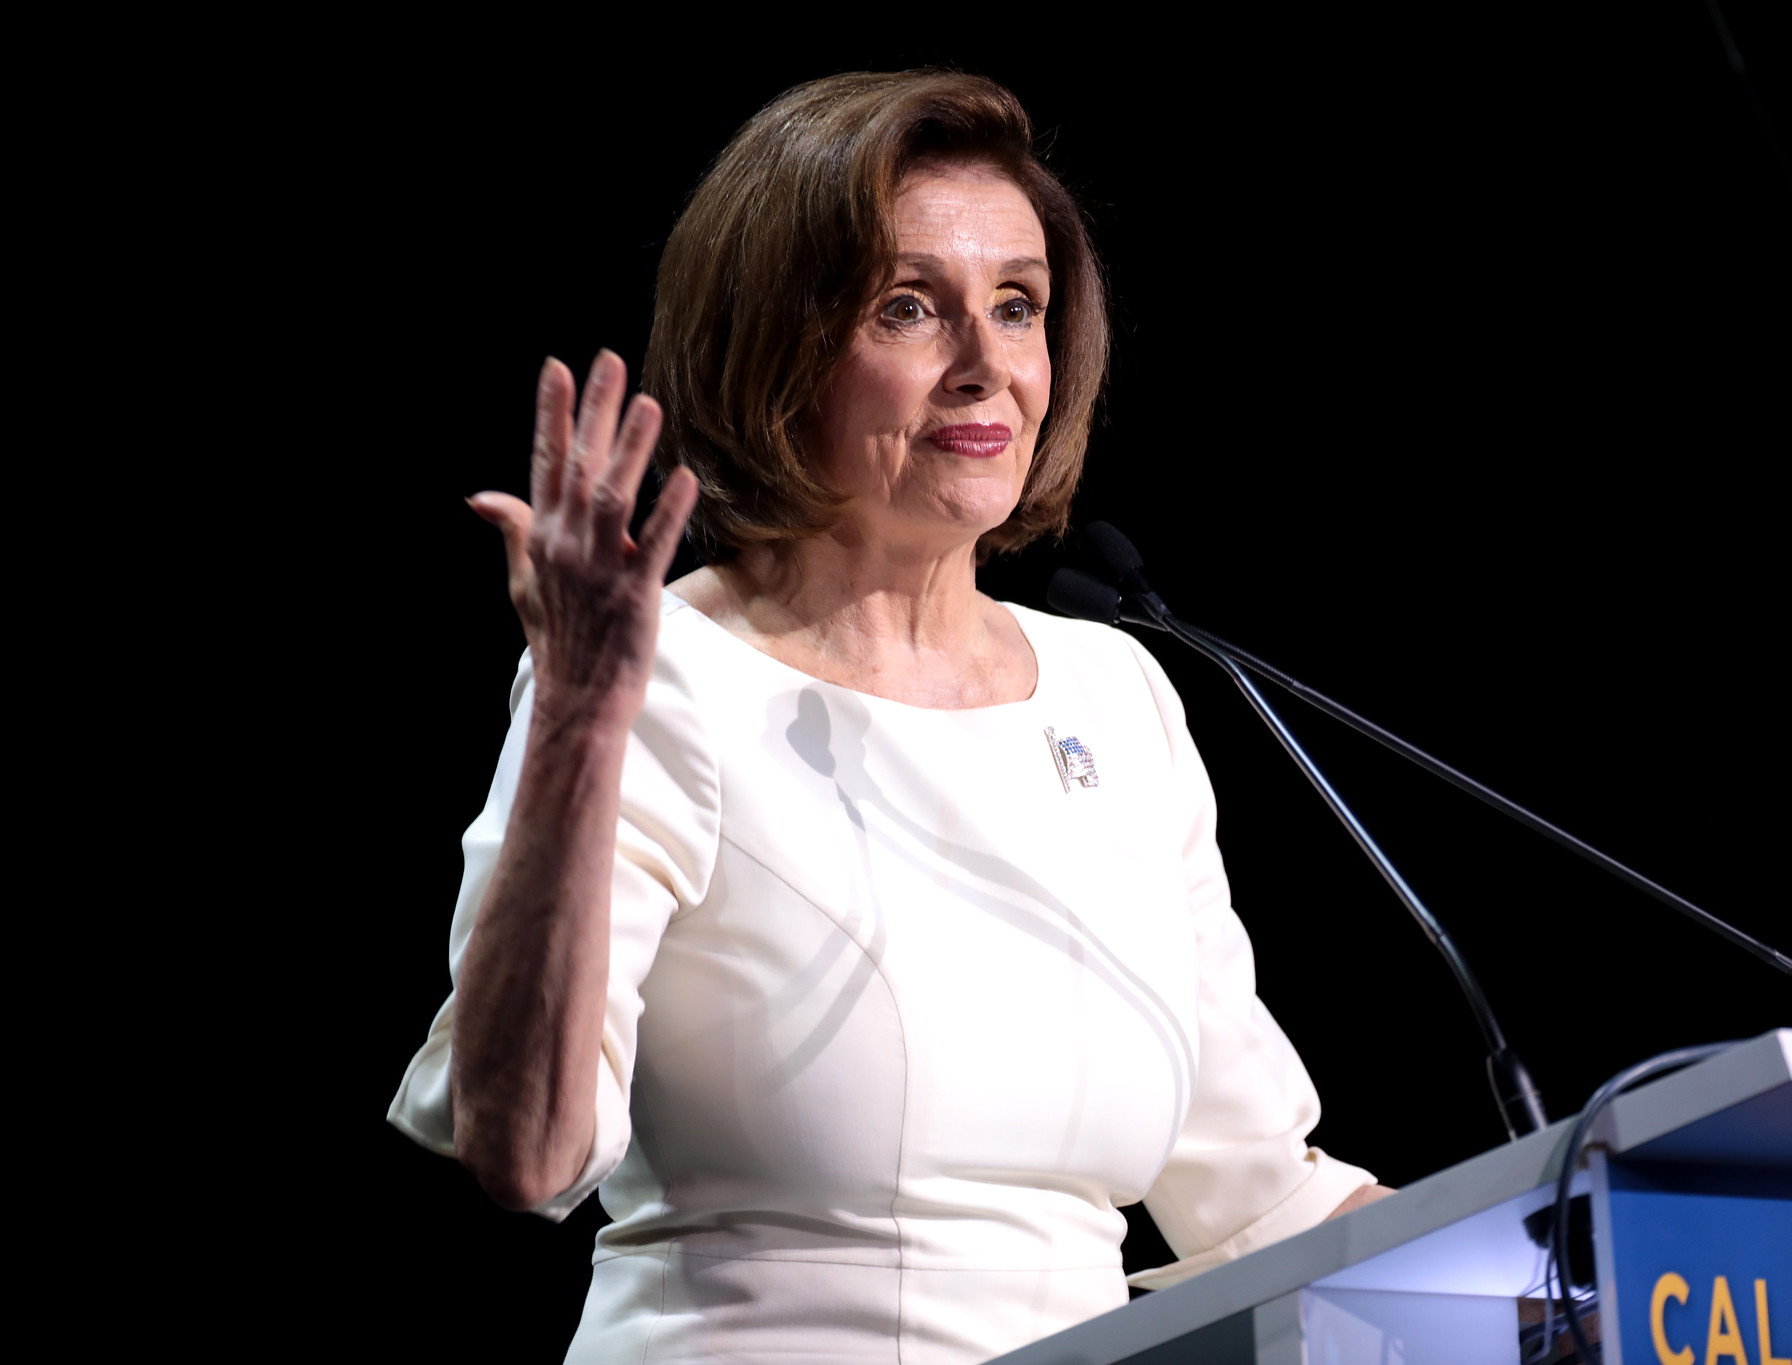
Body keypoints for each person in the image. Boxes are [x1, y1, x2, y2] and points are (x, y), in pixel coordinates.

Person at [389, 69, 1389, 1363]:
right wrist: (583, 717)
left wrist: (1570, 1270)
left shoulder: (1116, 692)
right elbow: (524, 1147)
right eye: (909, 307)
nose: (986, 366)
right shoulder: (659, 673)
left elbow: (1261, 1200)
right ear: (781, 344)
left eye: (1018, 307)